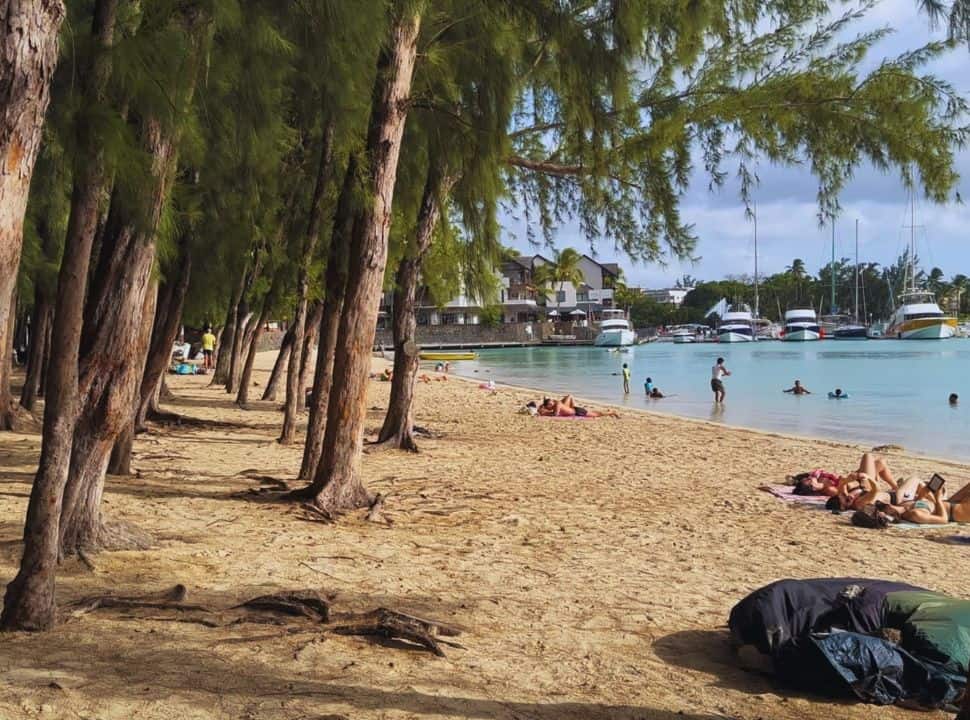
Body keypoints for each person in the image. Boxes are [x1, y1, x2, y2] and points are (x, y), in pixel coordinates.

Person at [825, 452, 921, 512]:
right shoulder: (859, 503)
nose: (848, 497)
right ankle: (929, 497)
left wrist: (847, 480)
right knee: (915, 479)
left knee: (880, 463)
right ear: (844, 508)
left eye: (844, 497)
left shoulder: (845, 497)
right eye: (847, 501)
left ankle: (896, 486)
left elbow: (842, 482)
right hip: (897, 498)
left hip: (883, 492)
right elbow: (876, 489)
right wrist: (868, 478)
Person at [538, 395, 619, 418]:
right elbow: (554, 413)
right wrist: (544, 410)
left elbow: (555, 414)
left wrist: (544, 414)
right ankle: (610, 412)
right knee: (596, 413)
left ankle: (612, 412)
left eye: (550, 404)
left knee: (597, 414)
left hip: (578, 412)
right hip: (576, 411)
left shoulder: (557, 404)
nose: (550, 405)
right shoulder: (556, 404)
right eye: (549, 405)